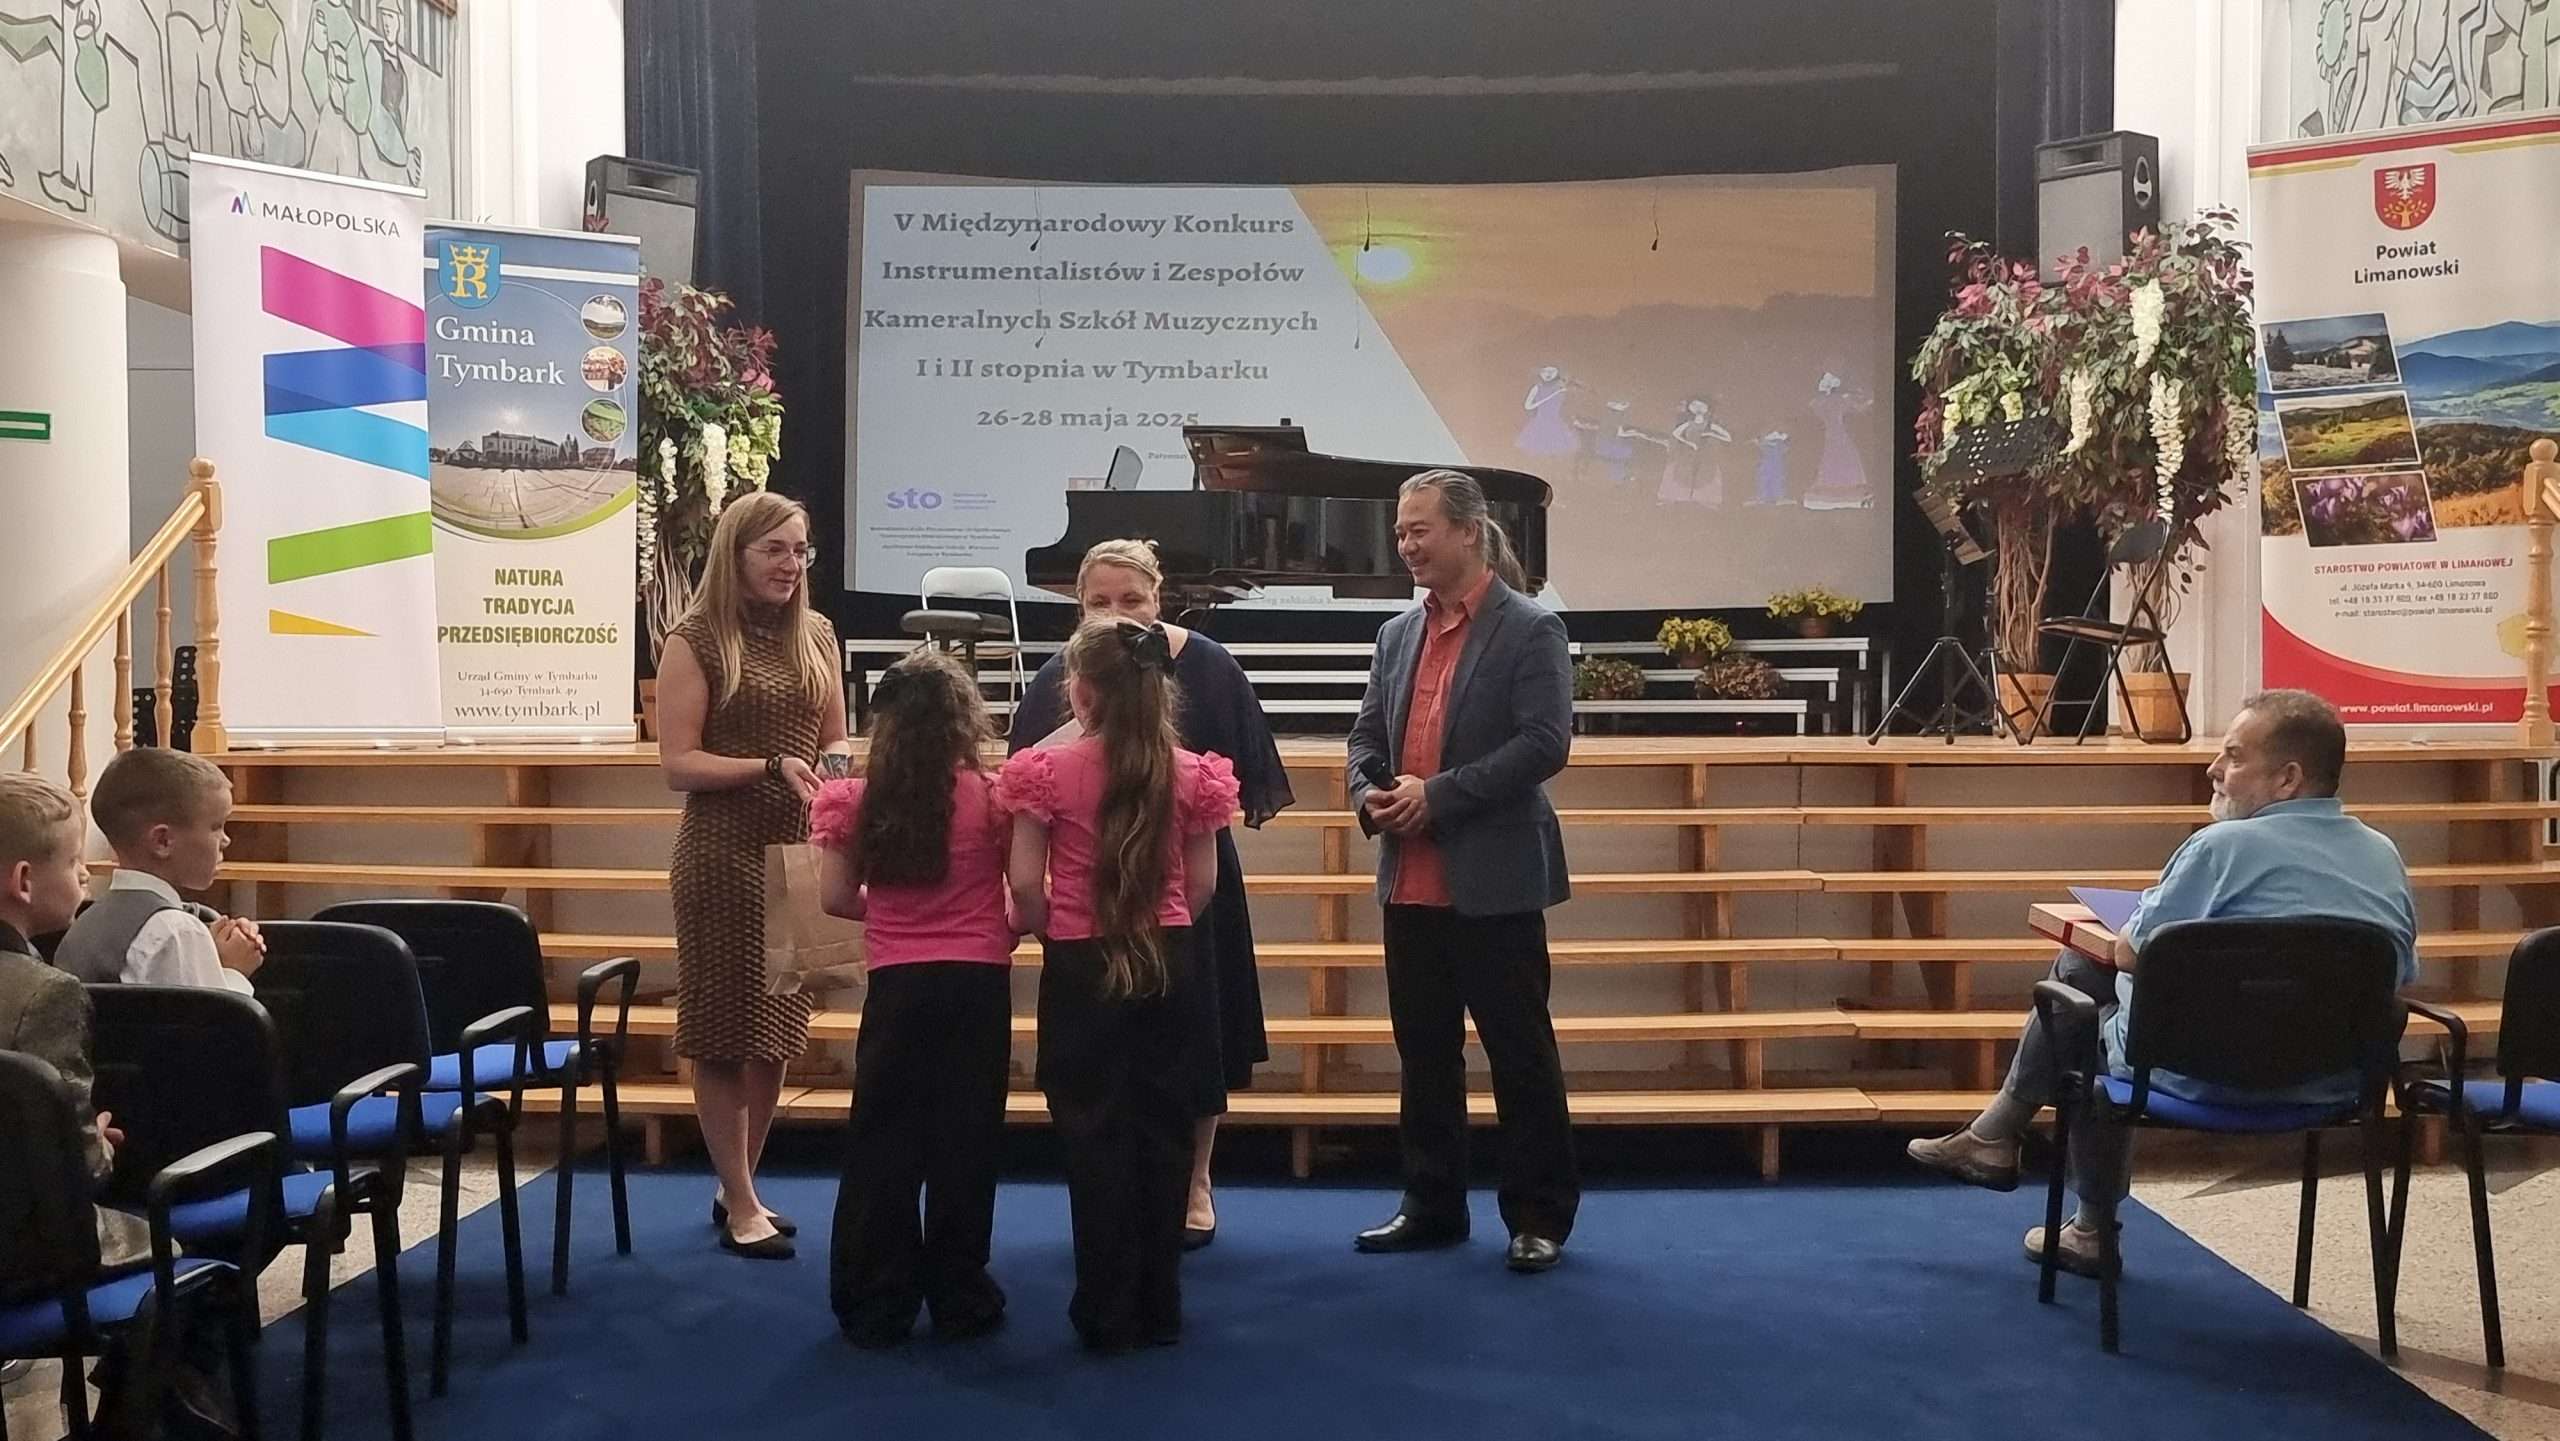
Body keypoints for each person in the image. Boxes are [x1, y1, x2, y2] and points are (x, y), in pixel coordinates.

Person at [1907, 690, 2418, 1274]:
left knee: (2076, 999)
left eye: (2233, 756)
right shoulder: (2383, 854)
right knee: (2085, 978)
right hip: (2333, 1082)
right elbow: (2396, 971)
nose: (2213, 769)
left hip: (2200, 1073)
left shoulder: (2219, 847)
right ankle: (2000, 1142)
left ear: (2288, 779)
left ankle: (2070, 1208)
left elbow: (2130, 951)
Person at [1006, 537, 1293, 1249]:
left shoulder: (1210, 666)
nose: (1116, 613)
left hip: (1182, 892)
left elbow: (1241, 777)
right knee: (1102, 1062)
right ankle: (1117, 1198)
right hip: (1093, 899)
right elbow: (1027, 782)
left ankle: (1195, 1180)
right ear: (1078, 607)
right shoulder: (1062, 675)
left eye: (1131, 599)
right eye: (1099, 601)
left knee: (1196, 1042)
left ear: (1159, 598)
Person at [1347, 469, 1580, 1274]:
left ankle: (1539, 1216)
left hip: (1496, 881)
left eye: (1420, 529)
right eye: (1401, 531)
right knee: (1424, 1055)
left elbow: (1544, 743)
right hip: (1409, 881)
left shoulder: (1531, 628)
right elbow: (1364, 740)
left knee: (1520, 1054)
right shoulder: (1395, 635)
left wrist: (1437, 796)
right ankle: (1432, 1204)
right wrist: (1370, 797)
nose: (1405, 544)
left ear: (1469, 531)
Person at [996, 617, 1237, 1352]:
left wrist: (1054, 929)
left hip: (1081, 960)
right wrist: (1164, 923)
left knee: (1091, 1131)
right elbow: (1204, 883)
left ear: (1082, 691)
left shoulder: (1045, 769)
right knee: (1165, 1129)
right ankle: (1160, 1305)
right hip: (1169, 957)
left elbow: (1022, 883)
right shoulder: (1193, 772)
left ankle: (1104, 1306)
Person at [656, 491, 851, 1260]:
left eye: (800, 549)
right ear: (735, 552)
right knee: (722, 1033)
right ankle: (739, 1200)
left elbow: (836, 736)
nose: (790, 563)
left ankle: (741, 1182)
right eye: (774, 548)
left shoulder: (818, 633)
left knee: (776, 1034)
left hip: (803, 849)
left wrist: (838, 775)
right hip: (723, 855)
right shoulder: (696, 637)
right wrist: (770, 765)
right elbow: (679, 763)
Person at [812, 648, 1014, 1348]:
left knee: (884, 1140)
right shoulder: (994, 797)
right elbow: (1019, 889)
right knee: (967, 1139)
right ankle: (961, 1295)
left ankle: (876, 1298)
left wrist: (899, 916)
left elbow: (836, 897)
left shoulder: (856, 801)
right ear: (965, 719)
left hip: (898, 983)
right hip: (978, 981)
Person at [55, 747, 263, 991]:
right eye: (216, 827)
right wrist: (234, 970)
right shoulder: (177, 931)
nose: (226, 840)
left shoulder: (85, 924)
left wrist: (208, 953)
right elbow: (213, 1014)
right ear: (163, 841)